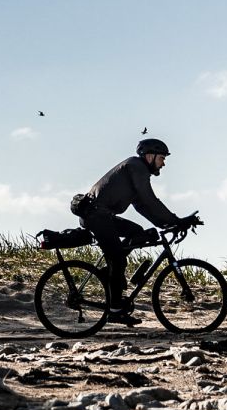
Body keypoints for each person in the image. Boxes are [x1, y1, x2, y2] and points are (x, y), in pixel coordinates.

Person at [71, 138, 199, 325]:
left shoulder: (136, 169)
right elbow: (149, 199)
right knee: (117, 259)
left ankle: (111, 272)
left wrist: (167, 224)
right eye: (162, 158)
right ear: (150, 156)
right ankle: (115, 310)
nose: (163, 163)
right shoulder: (137, 167)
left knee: (137, 232)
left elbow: (142, 206)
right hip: (97, 217)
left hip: (101, 216)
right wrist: (176, 221)